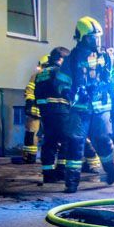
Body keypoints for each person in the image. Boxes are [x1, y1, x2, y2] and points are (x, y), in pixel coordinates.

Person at [57, 16, 114, 194]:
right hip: (79, 109)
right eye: (92, 38)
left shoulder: (107, 57)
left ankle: (112, 171)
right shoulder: (72, 59)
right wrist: (66, 91)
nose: (96, 41)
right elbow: (62, 80)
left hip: (101, 109)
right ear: (81, 38)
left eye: (98, 37)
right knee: (75, 144)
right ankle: (71, 182)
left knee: (103, 141)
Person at [34, 47, 70, 183]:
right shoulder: (59, 72)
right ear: (61, 59)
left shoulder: (41, 73)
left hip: (46, 113)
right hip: (60, 111)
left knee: (50, 142)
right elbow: (66, 92)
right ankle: (61, 171)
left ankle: (48, 174)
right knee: (66, 141)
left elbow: (37, 93)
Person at [22, 56, 49, 164]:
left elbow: (29, 91)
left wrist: (30, 102)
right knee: (32, 133)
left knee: (33, 133)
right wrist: (30, 102)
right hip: (42, 111)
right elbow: (30, 91)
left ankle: (31, 156)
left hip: (43, 111)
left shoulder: (39, 76)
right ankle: (31, 156)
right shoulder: (37, 76)